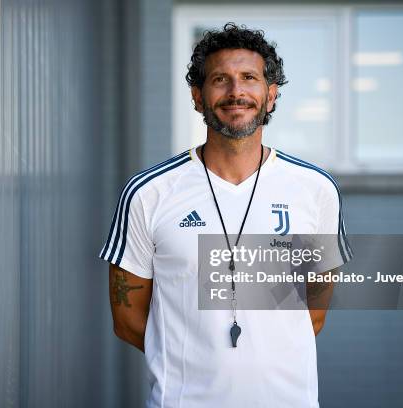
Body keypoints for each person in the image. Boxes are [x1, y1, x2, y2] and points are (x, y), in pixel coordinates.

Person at [99, 22, 352, 408]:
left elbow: (312, 316)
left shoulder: (317, 191)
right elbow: (128, 321)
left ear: (270, 95)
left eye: (249, 78)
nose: (236, 92)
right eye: (221, 79)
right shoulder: (148, 193)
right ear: (198, 96)